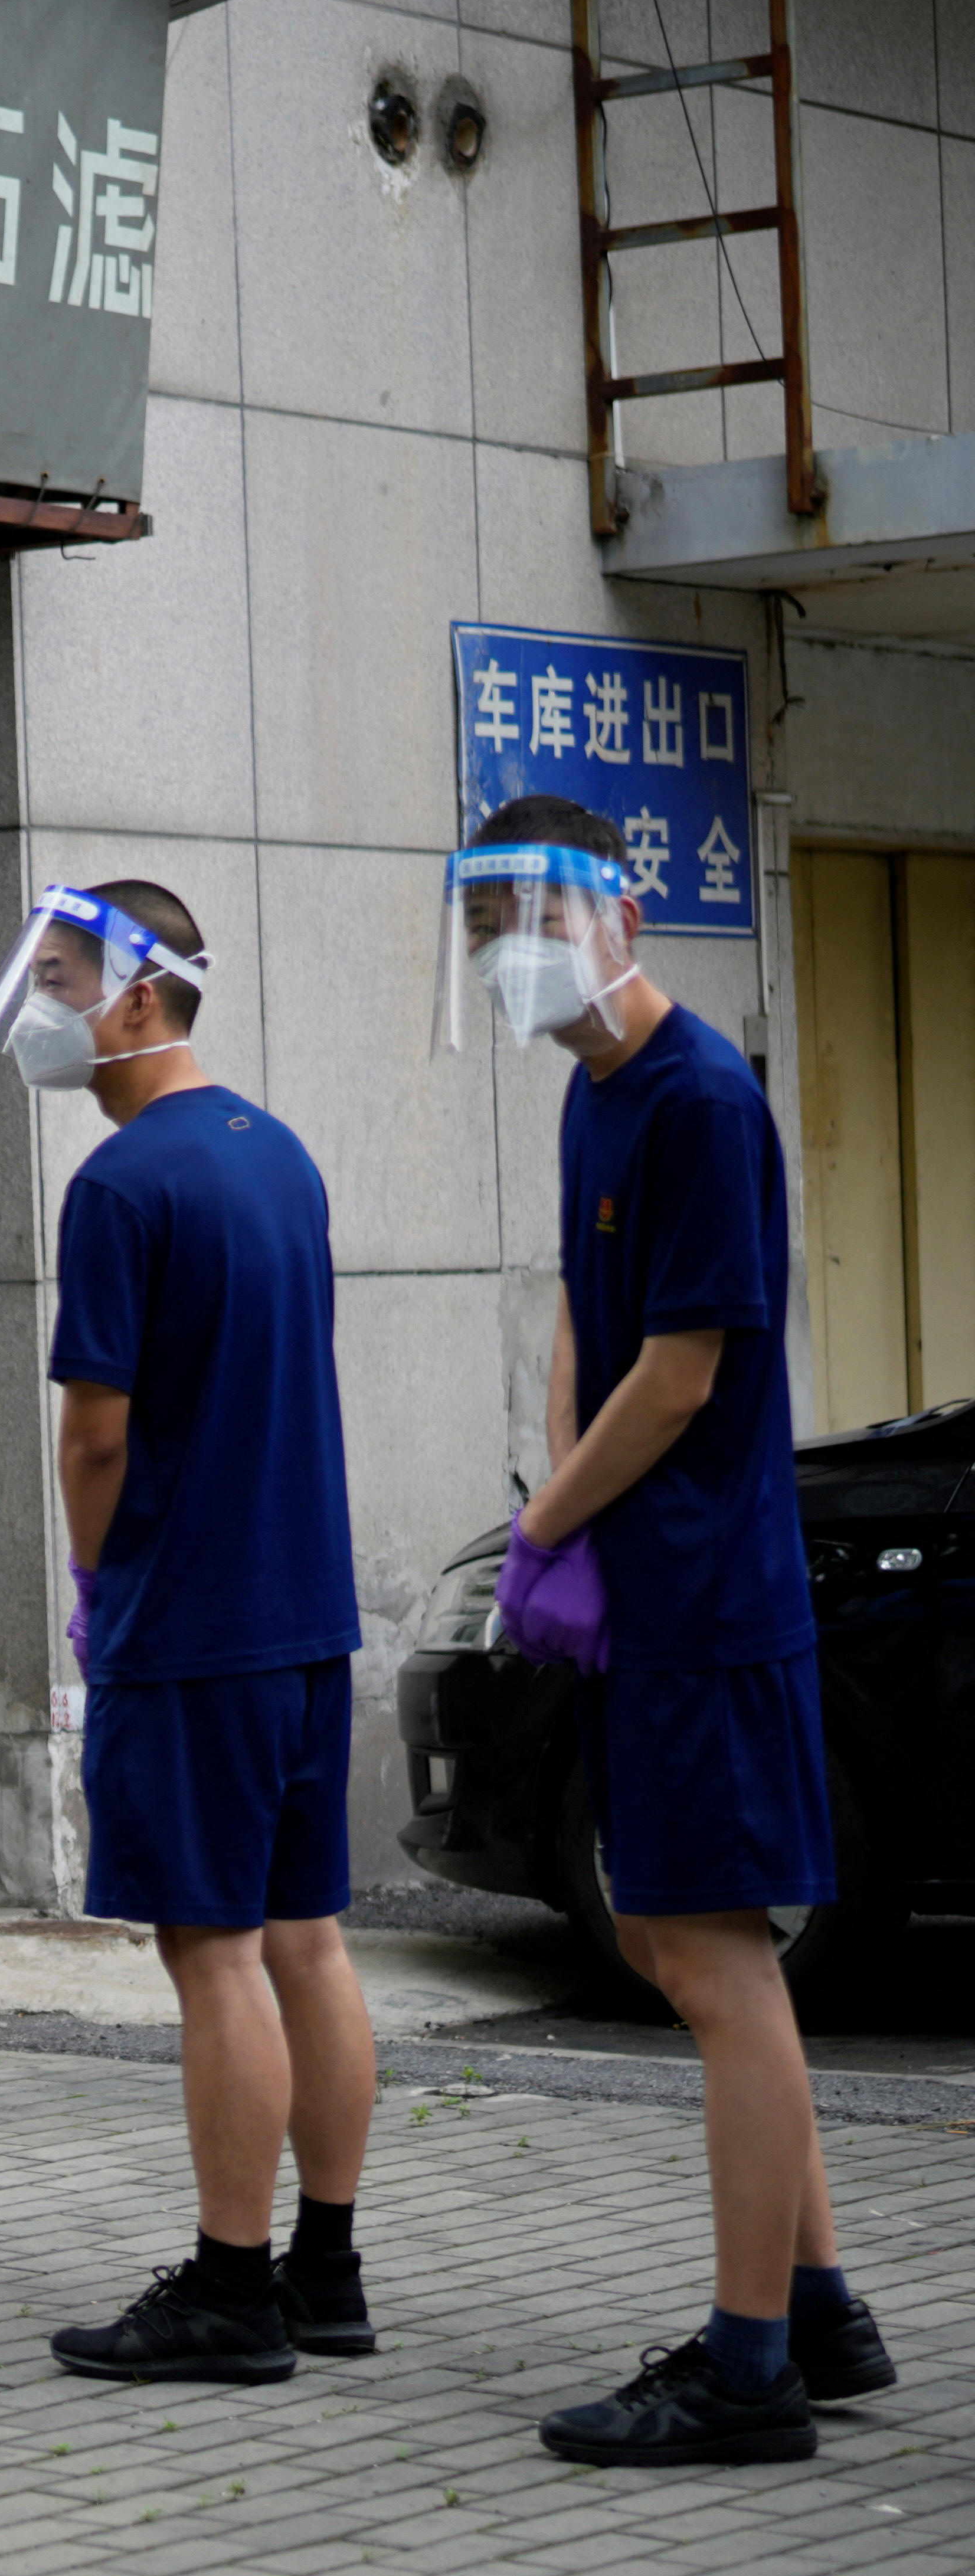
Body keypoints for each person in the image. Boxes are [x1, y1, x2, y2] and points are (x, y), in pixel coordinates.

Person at [453, 796, 891, 2465]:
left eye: (534, 919)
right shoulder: (595, 1090)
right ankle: (820, 2307)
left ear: (618, 914)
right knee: (665, 1936)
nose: (510, 955)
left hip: (705, 1598)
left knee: (713, 1958)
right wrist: (560, 1500)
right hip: (643, 1592)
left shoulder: (701, 1097)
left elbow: (684, 1372)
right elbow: (590, 1317)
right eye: (483, 930)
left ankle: (748, 2366)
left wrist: (540, 1528)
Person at [0, 883, 379, 2382]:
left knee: (213, 1953)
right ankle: (324, 2268)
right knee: (306, 1942)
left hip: (190, 1621)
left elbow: (94, 1435)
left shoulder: (123, 1184)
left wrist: (93, 1583)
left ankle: (228, 2285)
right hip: (302, 1612)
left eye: (59, 978)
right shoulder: (280, 1154)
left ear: (137, 994)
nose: (38, 1008)